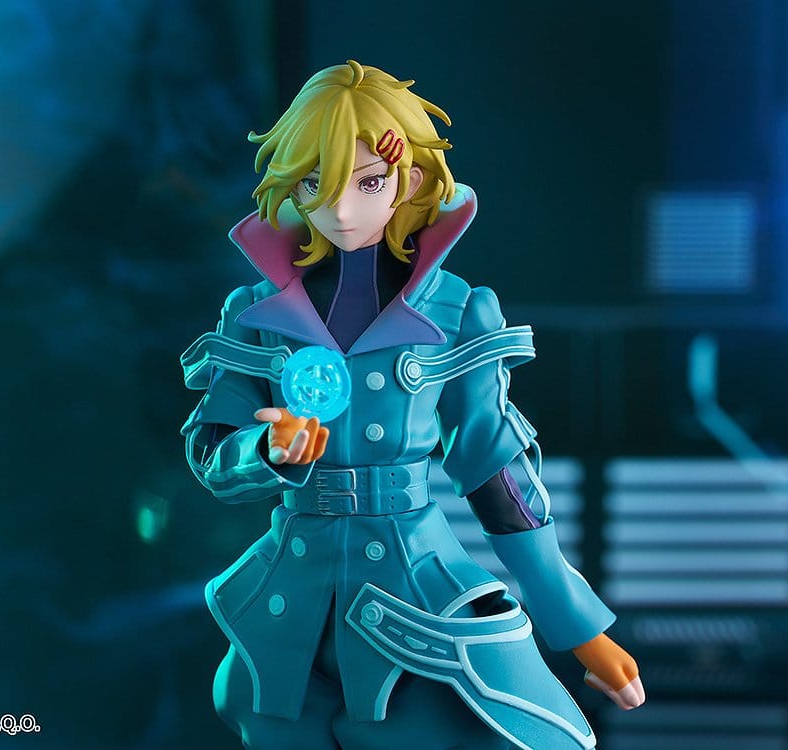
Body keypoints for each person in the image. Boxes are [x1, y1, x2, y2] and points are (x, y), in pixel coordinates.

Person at [180, 60, 644, 750]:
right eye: (315, 183)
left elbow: (496, 474)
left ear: (414, 181)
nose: (341, 211)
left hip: (411, 591)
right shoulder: (254, 312)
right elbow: (213, 452)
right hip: (288, 604)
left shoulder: (455, 310)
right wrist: (267, 450)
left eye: (369, 182)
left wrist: (576, 625)